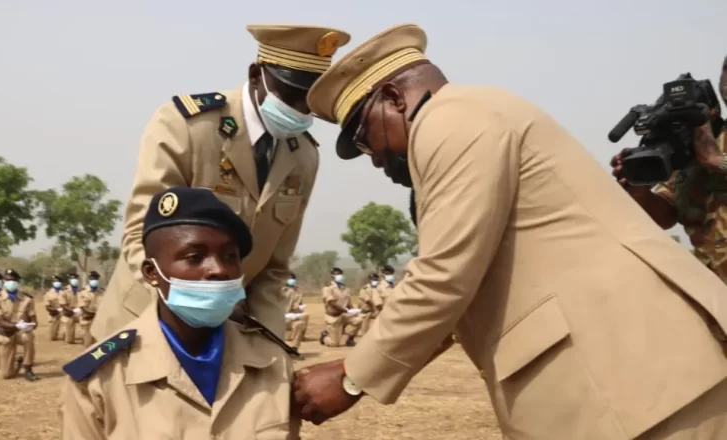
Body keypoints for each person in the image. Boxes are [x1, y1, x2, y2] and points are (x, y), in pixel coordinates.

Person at [294, 24, 727, 439]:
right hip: (633, 389)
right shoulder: (474, 116)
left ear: (393, 97)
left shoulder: (450, 120)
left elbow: (444, 276)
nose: (374, 158)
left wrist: (350, 379)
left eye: (365, 138)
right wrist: (360, 367)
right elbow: (457, 295)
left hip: (641, 383)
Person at [91, 25, 352, 344]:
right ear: (256, 75)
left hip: (229, 334)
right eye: (291, 95)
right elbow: (139, 236)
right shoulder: (187, 126)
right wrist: (197, 307)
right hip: (144, 323)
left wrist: (269, 346)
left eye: (310, 101)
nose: (300, 110)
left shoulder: (304, 156)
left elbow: (273, 270)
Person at [60, 187, 302, 439]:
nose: (219, 269)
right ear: (152, 273)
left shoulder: (271, 362)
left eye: (230, 256)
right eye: (195, 257)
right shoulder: (99, 379)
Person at [610, 55, 727, 281]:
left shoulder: (709, 151)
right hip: (712, 292)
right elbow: (666, 216)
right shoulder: (691, 149)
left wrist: (717, 161)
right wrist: (639, 190)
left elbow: (714, 159)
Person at [0, 269, 39, 381]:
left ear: (18, 282)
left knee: (29, 336)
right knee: (6, 375)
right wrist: (16, 326)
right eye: (7, 280)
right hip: (6, 334)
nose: (10, 282)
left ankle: (28, 368)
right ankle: (17, 363)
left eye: (13, 280)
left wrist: (30, 325)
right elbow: (0, 321)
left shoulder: (27, 299)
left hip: (21, 333)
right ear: (4, 282)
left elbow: (34, 320)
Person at [319, 267, 363, 348]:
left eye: (340, 274)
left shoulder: (346, 288)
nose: (339, 276)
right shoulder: (328, 288)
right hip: (333, 317)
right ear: (332, 275)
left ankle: (350, 338)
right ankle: (324, 336)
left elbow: (349, 304)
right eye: (336, 274)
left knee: (359, 320)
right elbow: (331, 303)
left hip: (343, 315)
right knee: (335, 344)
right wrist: (345, 310)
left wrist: (355, 311)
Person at [76, 271, 104, 346]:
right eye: (91, 279)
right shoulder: (83, 292)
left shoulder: (102, 292)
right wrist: (95, 314)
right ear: (89, 280)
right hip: (87, 318)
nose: (94, 280)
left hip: (99, 318)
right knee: (88, 344)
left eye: (95, 279)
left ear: (98, 280)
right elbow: (83, 307)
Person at [283, 273, 308, 350]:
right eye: (289, 278)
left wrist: (299, 308)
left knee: (300, 322)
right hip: (278, 316)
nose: (291, 280)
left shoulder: (297, 290)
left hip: (291, 315)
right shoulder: (279, 290)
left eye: (292, 278)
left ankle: (294, 347)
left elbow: (298, 304)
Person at [59, 272, 82, 344]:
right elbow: (63, 305)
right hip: (68, 313)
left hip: (80, 312)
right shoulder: (64, 291)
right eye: (72, 278)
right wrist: (73, 310)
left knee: (88, 321)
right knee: (69, 340)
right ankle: (66, 333)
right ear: (69, 280)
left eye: (75, 278)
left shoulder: (81, 290)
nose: (74, 280)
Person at [43, 275, 65, 341]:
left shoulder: (64, 292)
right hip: (54, 314)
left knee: (66, 332)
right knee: (53, 337)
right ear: (52, 283)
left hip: (64, 313)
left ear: (61, 283)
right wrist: (57, 309)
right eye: (55, 281)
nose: (56, 283)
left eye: (58, 281)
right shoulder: (48, 293)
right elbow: (47, 307)